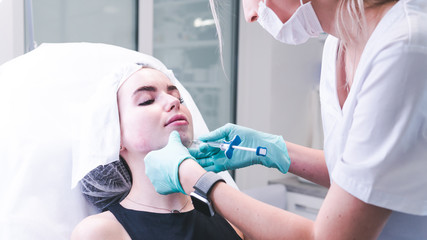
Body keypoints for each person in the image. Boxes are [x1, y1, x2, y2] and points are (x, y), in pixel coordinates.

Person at [143, 0, 427, 239]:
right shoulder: (336, 47)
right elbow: (358, 175)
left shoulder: (405, 48)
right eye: (145, 100)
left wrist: (199, 181)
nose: (250, 15)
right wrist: (270, 150)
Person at [71, 65, 243, 240]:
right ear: (116, 137)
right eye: (147, 100)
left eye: (179, 98)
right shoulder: (100, 232)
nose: (174, 102)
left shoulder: (231, 216)